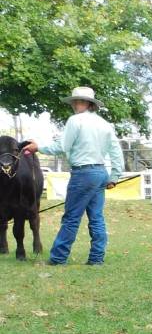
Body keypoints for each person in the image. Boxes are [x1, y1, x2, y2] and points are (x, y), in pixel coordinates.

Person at [23, 86, 124, 266]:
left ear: (86, 103)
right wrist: (114, 176)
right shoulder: (105, 124)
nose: (74, 104)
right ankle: (96, 259)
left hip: (83, 174)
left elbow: (62, 146)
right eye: (74, 101)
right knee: (97, 218)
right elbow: (116, 152)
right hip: (100, 172)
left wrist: (38, 147)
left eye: (77, 101)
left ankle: (58, 258)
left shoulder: (75, 121)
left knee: (71, 218)